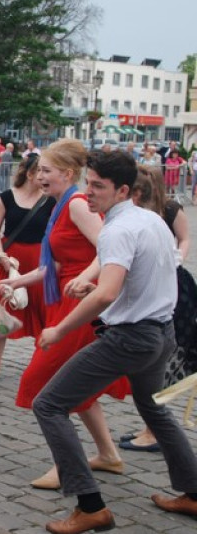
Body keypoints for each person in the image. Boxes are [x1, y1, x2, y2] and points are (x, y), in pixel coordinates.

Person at [33, 150, 197, 534]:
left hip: (133, 337)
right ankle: (193, 491)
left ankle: (90, 505)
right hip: (160, 334)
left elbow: (106, 295)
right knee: (152, 407)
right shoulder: (152, 220)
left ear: (124, 190)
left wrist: (59, 330)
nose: (88, 193)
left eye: (98, 187)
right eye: (87, 183)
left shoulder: (118, 229)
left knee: (49, 404)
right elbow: (144, 277)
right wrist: (100, 287)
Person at [0, 139, 128, 491]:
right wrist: (15, 282)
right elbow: (50, 266)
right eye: (38, 169)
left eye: (46, 170)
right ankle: (108, 454)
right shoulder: (59, 205)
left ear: (67, 174)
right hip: (67, 299)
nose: (39, 176)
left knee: (46, 384)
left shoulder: (76, 204)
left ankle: (66, 466)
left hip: (80, 304)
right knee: (75, 385)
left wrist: (86, 279)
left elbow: (112, 249)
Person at [118, 166, 197, 452]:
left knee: (163, 358)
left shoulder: (170, 209)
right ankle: (150, 427)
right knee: (153, 362)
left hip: (173, 284)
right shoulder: (132, 213)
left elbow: (185, 238)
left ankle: (154, 430)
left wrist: (178, 257)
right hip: (152, 284)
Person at [0, 155, 56, 382]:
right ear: (29, 174)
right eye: (41, 172)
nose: (45, 177)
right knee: (2, 311)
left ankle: (41, 361)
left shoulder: (51, 201)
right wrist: (1, 253)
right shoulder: (7, 197)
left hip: (38, 261)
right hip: (10, 260)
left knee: (43, 311)